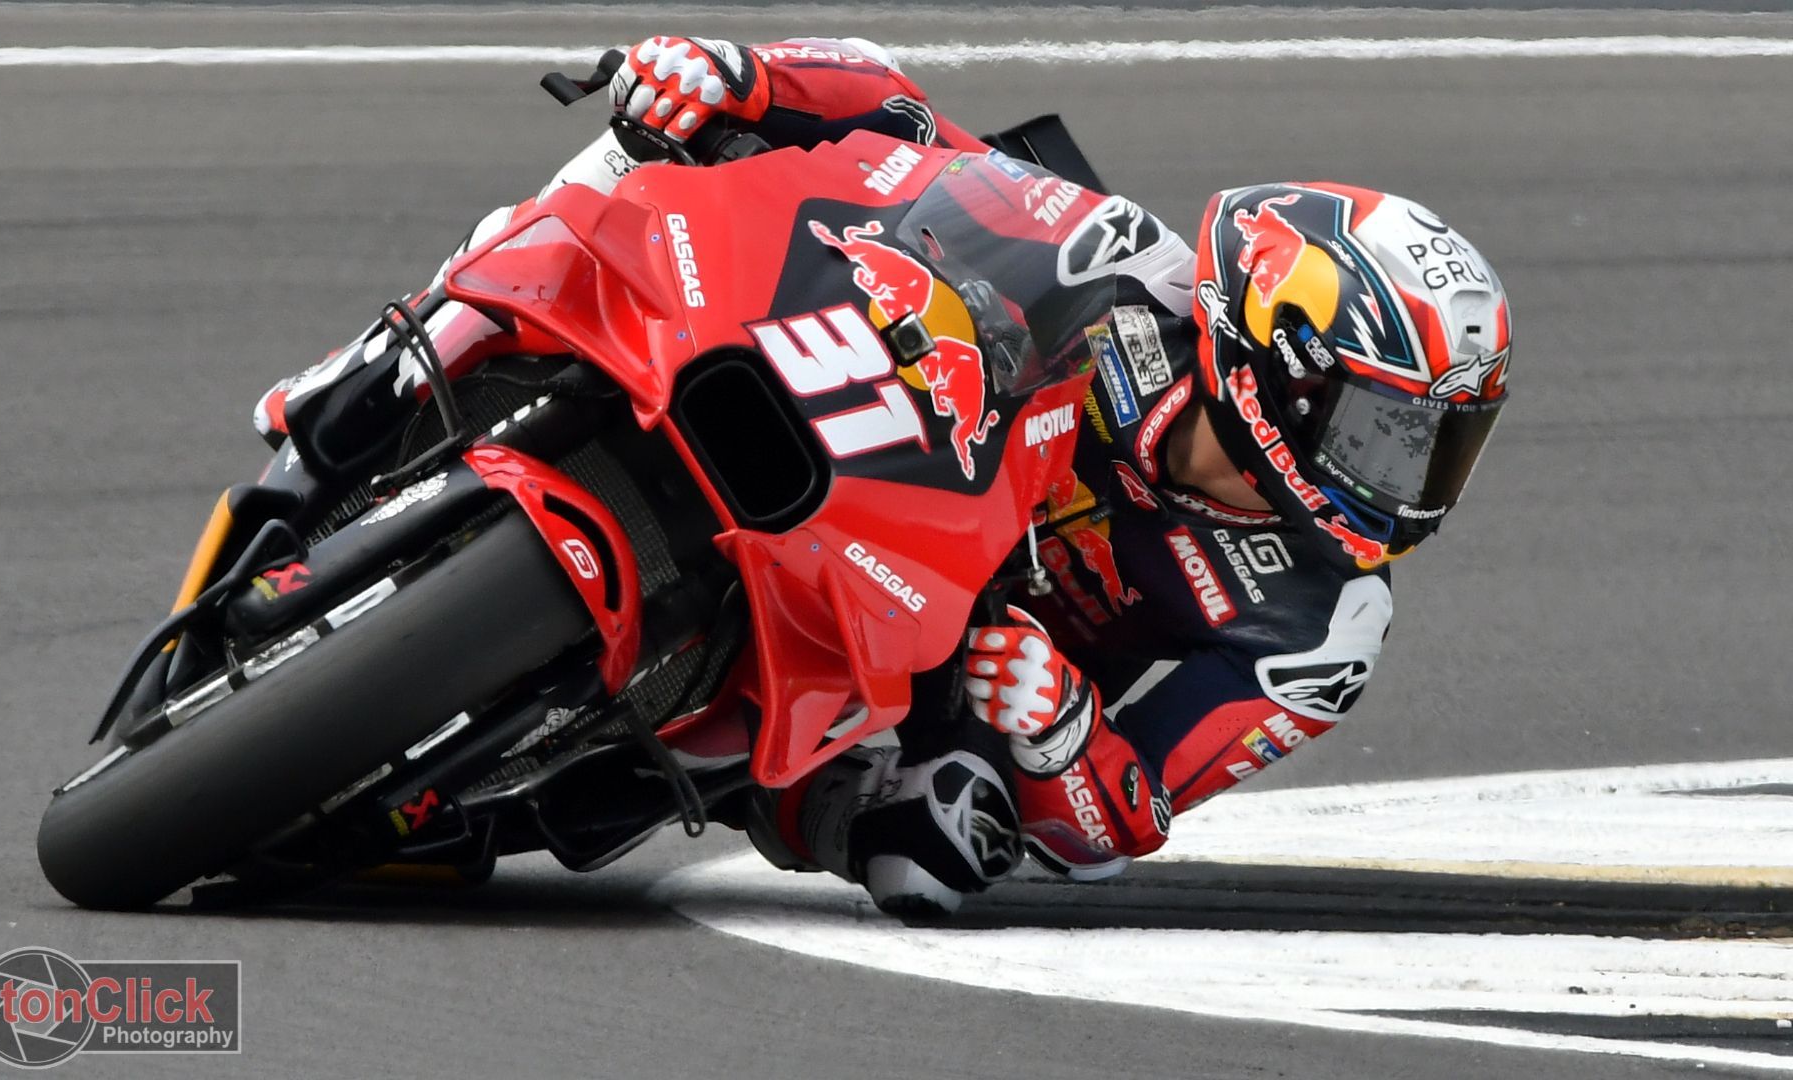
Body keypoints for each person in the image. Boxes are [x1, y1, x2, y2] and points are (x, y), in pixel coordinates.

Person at [265, 36, 1515, 917]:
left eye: (1434, 442)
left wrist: (1056, 729)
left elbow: (1120, 820)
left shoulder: (1324, 623)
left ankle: (579, 785)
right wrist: (743, 76)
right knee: (660, 146)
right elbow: (908, 127)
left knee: (938, 850)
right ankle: (410, 347)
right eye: (1388, 429)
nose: (1406, 476)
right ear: (1283, 363)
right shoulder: (1132, 268)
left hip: (933, 668)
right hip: (856, 435)